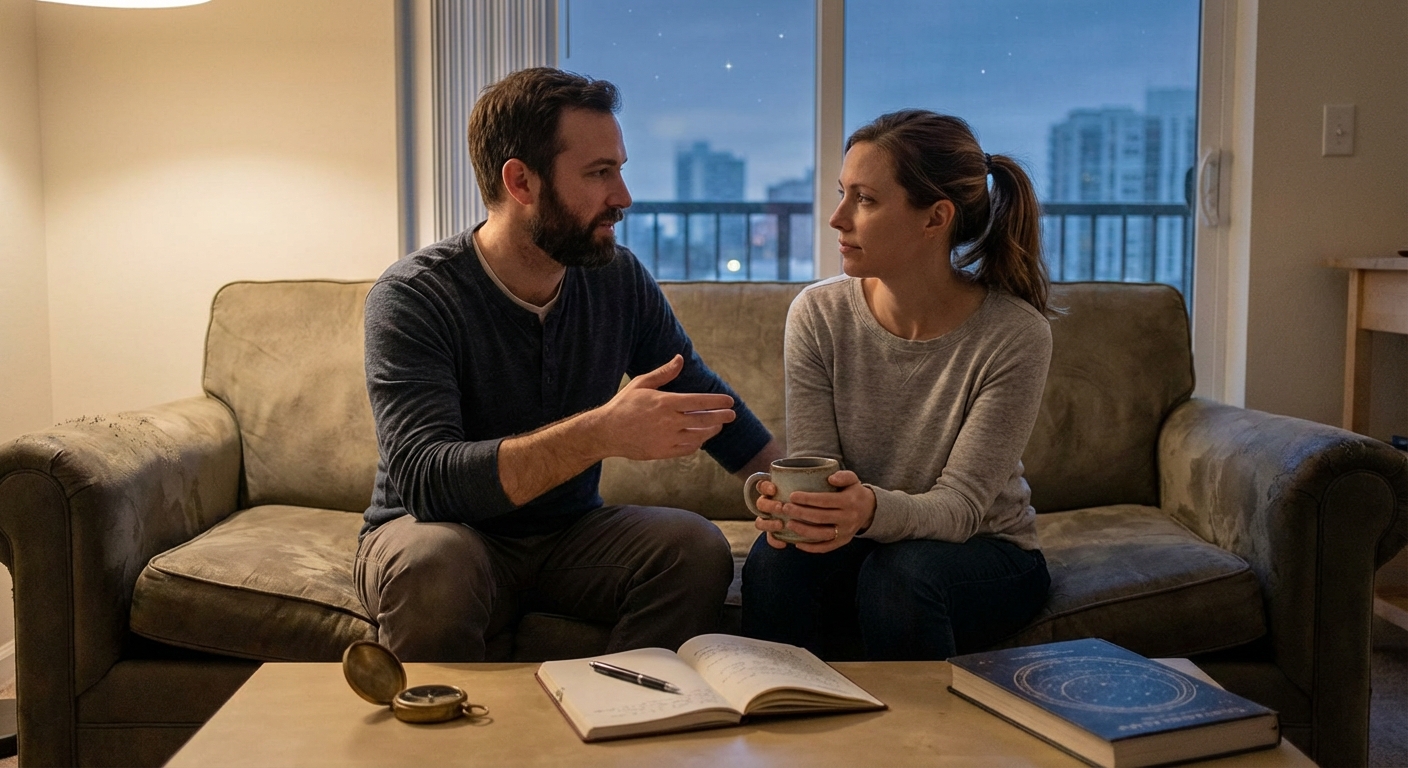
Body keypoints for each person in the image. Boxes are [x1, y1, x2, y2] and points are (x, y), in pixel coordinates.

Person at [356, 67, 782, 662]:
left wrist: (788, 489)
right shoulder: (415, 297)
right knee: (436, 563)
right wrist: (600, 432)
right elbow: (429, 482)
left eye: (620, 170)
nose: (623, 198)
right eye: (599, 173)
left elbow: (701, 396)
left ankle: (618, 716)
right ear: (521, 182)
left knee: (695, 546)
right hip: (439, 533)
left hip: (568, 537)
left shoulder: (615, 277)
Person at [741, 110, 1052, 661]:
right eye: (843, 193)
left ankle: (919, 747)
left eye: (864, 199)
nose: (837, 218)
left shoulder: (1015, 334)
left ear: (935, 218)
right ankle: (781, 725)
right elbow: (819, 471)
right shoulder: (817, 313)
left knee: (901, 575)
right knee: (776, 560)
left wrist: (865, 511)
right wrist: (801, 512)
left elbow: (959, 509)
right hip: (863, 544)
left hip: (982, 550)